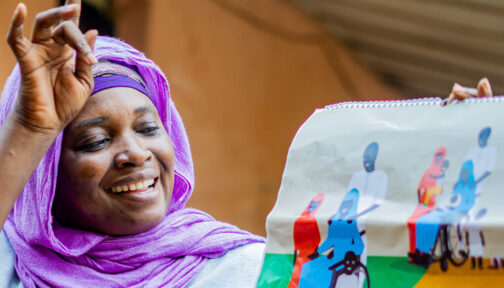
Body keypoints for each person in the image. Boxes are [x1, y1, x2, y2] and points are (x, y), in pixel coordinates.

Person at [0, 2, 264, 287]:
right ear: (43, 178)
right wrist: (29, 127)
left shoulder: (247, 271)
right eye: (96, 141)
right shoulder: (11, 267)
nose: (137, 154)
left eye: (149, 128)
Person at [407, 147, 448, 260]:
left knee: (426, 224)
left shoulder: (442, 173)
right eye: (437, 156)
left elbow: (441, 190)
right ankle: (416, 251)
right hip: (424, 205)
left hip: (436, 207)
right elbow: (419, 188)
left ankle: (423, 251)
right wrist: (421, 203)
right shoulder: (428, 171)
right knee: (413, 223)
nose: (438, 159)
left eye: (440, 156)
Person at [288, 193, 324, 288]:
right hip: (309, 253)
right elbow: (318, 238)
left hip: (303, 254)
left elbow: (295, 243)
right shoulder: (310, 220)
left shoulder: (299, 219)